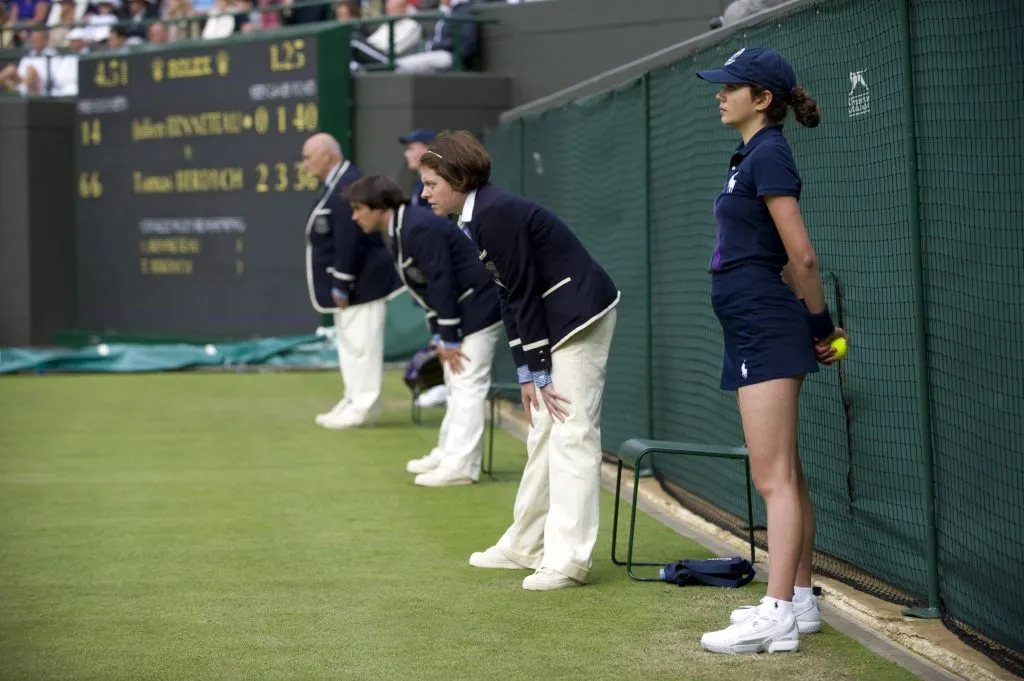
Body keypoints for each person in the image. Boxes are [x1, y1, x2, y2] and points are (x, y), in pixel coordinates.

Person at [693, 47, 848, 654]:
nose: (719, 94)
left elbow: (800, 255)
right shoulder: (752, 155)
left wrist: (823, 327)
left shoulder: (771, 153)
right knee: (787, 472)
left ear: (762, 100)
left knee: (772, 477)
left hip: (766, 323)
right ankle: (802, 600)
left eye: (730, 87)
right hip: (752, 322)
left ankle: (777, 611)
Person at [418, 130, 620, 591]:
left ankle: (568, 560)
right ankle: (526, 545)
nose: (425, 193)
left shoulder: (494, 212)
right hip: (554, 317)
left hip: (578, 315)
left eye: (431, 183)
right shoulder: (477, 216)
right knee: (544, 431)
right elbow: (509, 294)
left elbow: (525, 291)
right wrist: (530, 372)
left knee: (573, 432)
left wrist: (541, 369)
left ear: (456, 177)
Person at [345, 174, 504, 487]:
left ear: (379, 207)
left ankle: (461, 466)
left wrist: (448, 336)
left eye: (358, 208)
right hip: (463, 310)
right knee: (455, 380)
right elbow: (427, 289)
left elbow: (441, 281)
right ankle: (448, 453)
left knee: (467, 382)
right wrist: (439, 335)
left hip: (480, 307)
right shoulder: (401, 227)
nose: (354, 215)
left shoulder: (417, 227)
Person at [300, 133, 403, 430]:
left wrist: (341, 282)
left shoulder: (350, 184)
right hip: (352, 283)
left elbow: (351, 238)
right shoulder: (336, 183)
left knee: (363, 345)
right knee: (350, 343)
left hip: (363, 282)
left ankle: (364, 404)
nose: (304, 164)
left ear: (327, 156)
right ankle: (353, 397)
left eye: (308, 157)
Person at [398, 128, 435, 206]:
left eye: (411, 149)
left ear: (427, 149)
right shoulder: (421, 181)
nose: (406, 154)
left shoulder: (434, 182)